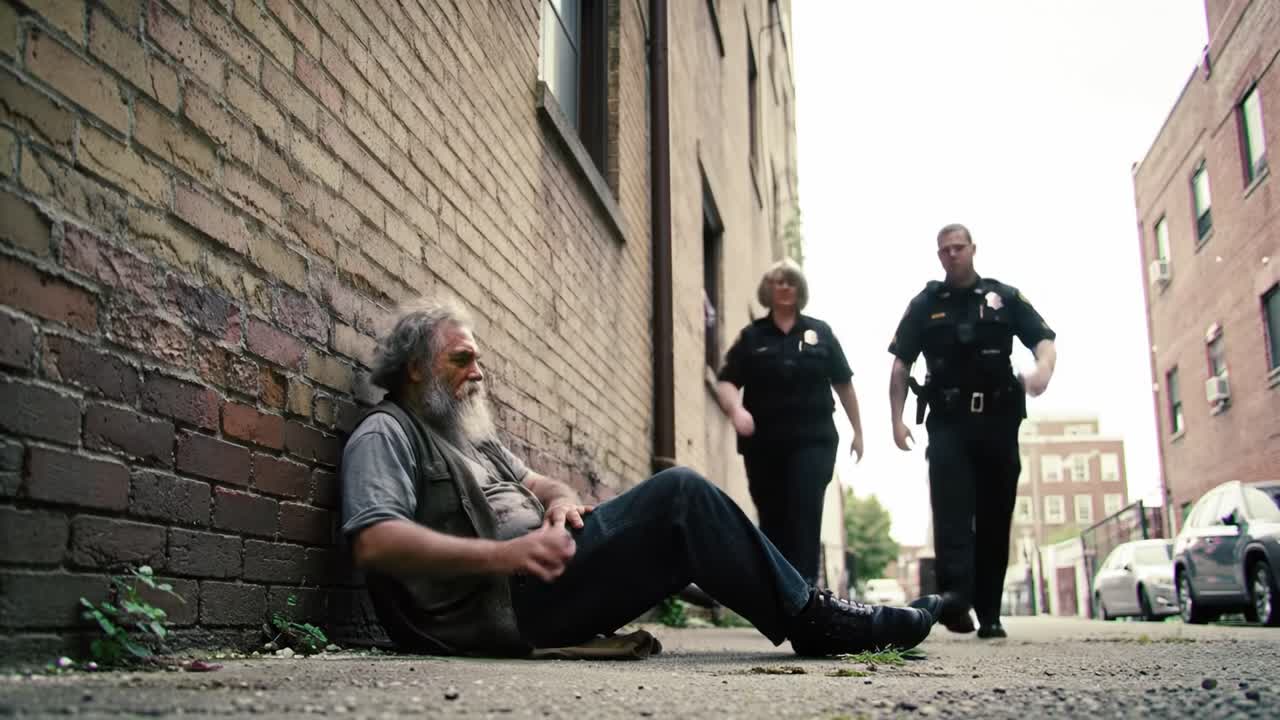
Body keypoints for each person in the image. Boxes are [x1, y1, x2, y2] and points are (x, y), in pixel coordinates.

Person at [340, 295, 942, 658]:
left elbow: (543, 484)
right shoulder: (387, 434)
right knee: (681, 493)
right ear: (416, 369)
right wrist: (509, 555)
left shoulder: (471, 435)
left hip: (549, 575)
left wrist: (561, 500)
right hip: (507, 602)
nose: (480, 371)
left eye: (478, 356)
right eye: (462, 358)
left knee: (685, 527)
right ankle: (815, 618)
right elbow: (374, 542)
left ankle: (804, 607)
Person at [887, 224, 1057, 639]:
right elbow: (900, 364)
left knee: (996, 515)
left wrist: (1042, 372)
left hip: (998, 422)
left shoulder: (1004, 298)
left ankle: (991, 612)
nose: (952, 255)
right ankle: (956, 599)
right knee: (951, 513)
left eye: (958, 247)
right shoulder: (926, 304)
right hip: (948, 423)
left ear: (973, 249)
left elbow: (1044, 341)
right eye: (944, 250)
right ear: (938, 255)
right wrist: (896, 419)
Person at [715, 258, 864, 586]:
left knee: (805, 507)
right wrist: (736, 411)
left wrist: (858, 432)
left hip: (814, 439)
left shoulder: (820, 333)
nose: (784, 287)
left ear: (800, 290)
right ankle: (780, 591)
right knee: (772, 516)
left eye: (791, 282)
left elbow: (844, 384)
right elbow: (726, 381)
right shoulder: (753, 337)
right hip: (764, 444)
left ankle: (805, 591)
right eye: (777, 282)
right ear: (767, 290)